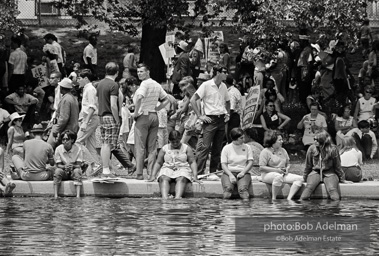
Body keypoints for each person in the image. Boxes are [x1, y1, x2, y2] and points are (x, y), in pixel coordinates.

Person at [190, 65, 230, 176]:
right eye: (224, 71)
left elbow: (227, 101)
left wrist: (228, 113)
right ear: (217, 73)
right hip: (210, 119)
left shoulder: (224, 86)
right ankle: (198, 172)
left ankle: (212, 172)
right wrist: (200, 115)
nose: (226, 74)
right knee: (205, 147)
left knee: (217, 148)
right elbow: (193, 100)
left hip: (221, 118)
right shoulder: (206, 85)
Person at [97, 62, 135, 178]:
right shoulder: (114, 85)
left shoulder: (99, 84)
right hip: (110, 116)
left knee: (105, 144)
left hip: (102, 116)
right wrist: (117, 118)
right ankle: (106, 170)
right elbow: (113, 104)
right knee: (109, 144)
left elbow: (98, 102)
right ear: (117, 72)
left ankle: (105, 168)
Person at [133, 63, 169, 180]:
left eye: (141, 71)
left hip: (143, 116)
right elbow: (166, 99)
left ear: (148, 72)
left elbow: (139, 97)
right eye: (138, 72)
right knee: (152, 147)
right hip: (154, 115)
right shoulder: (157, 84)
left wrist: (136, 112)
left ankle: (139, 174)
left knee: (140, 146)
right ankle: (151, 173)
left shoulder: (144, 83)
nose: (139, 74)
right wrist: (157, 108)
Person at [147, 130, 201, 199]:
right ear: (169, 140)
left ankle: (178, 198)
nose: (175, 144)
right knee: (163, 178)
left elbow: (192, 162)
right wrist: (153, 176)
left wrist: (195, 175)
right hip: (167, 168)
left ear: (180, 139)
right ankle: (164, 199)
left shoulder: (186, 148)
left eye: (177, 141)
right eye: (173, 142)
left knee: (181, 178)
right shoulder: (164, 148)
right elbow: (158, 162)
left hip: (182, 168)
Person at [300, 131, 352, 201]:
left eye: (317, 140)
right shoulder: (312, 148)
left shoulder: (333, 149)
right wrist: (305, 177)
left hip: (330, 173)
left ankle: (334, 209)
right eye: (314, 139)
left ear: (323, 140)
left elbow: (337, 165)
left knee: (332, 190)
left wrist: (342, 179)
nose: (315, 141)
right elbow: (308, 165)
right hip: (316, 172)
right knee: (309, 188)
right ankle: (305, 208)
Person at [259, 130, 303, 200]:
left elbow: (288, 163)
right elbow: (261, 167)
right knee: (278, 177)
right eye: (280, 140)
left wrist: (287, 169)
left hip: (282, 174)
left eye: (282, 139)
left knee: (300, 179)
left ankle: (289, 199)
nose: (282, 141)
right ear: (273, 141)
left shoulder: (283, 150)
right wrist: (276, 170)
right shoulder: (265, 151)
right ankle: (274, 199)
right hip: (267, 175)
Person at [221, 128, 253, 200]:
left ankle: (245, 209)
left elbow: (250, 162)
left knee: (243, 190)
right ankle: (226, 209)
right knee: (228, 190)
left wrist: (243, 172)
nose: (243, 139)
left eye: (243, 137)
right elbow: (223, 164)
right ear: (235, 139)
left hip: (243, 172)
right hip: (229, 172)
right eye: (241, 138)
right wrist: (230, 175)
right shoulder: (226, 148)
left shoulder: (247, 147)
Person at [76, 69, 101, 165]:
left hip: (90, 119)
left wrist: (85, 122)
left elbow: (92, 107)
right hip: (89, 118)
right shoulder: (87, 89)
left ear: (85, 78)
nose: (78, 81)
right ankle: (96, 166)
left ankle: (92, 163)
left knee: (77, 142)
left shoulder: (90, 89)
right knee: (91, 145)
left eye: (79, 78)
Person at [47, 78, 79, 149]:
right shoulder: (73, 98)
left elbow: (64, 118)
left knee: (50, 147)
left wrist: (56, 130)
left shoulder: (66, 99)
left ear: (62, 88)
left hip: (66, 130)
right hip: (72, 128)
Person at [54, 130, 83, 198]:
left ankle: (78, 196)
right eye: (63, 139)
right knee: (57, 171)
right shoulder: (58, 149)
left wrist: (72, 166)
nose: (65, 141)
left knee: (77, 171)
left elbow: (79, 164)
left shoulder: (78, 149)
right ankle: (56, 195)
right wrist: (64, 167)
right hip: (64, 170)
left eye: (67, 139)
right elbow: (58, 164)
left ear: (72, 140)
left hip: (73, 170)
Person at [225, 74, 242, 143]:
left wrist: (225, 120)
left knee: (231, 137)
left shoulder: (231, 93)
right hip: (233, 116)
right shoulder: (233, 90)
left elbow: (231, 109)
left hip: (233, 117)